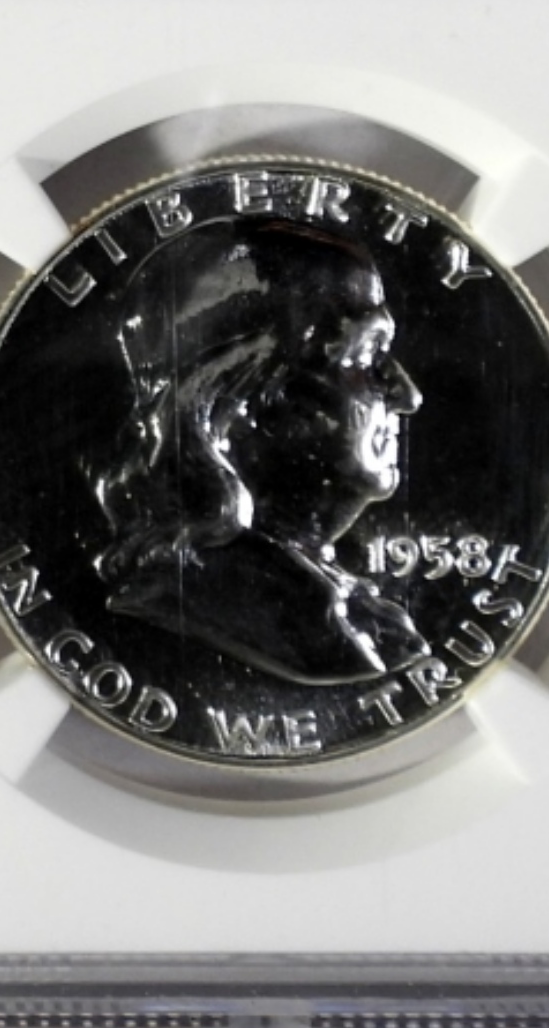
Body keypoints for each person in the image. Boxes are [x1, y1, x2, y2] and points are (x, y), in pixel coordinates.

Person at [94, 216, 428, 684]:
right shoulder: (241, 602)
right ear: (248, 397)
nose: (408, 395)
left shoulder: (357, 610)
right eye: (368, 353)